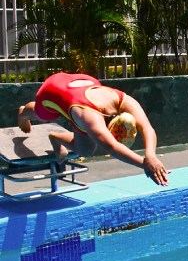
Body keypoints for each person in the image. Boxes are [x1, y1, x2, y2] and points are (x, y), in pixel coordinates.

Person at [17, 72, 169, 185]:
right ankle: (23, 113)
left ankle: (55, 138)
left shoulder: (124, 101)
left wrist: (151, 156)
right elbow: (111, 146)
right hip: (54, 88)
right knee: (42, 114)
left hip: (86, 83)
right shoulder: (90, 118)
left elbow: (147, 128)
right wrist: (146, 165)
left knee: (86, 149)